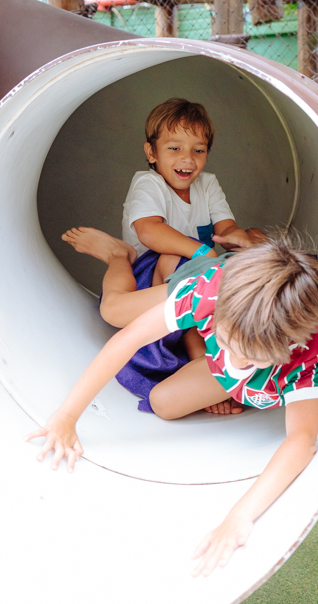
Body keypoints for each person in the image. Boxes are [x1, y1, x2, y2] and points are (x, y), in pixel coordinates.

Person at [28, 227, 318, 577]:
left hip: (275, 330)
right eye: (225, 343)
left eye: (250, 358)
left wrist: (238, 517)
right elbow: (129, 339)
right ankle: (125, 255)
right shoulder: (211, 290)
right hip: (228, 279)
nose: (233, 360)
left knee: (190, 396)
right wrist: (67, 415)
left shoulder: (307, 352)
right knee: (135, 348)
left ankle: (233, 319)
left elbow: (301, 440)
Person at [116, 98, 265, 413]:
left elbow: (227, 227)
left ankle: (233, 351)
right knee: (177, 259)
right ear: (151, 153)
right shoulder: (148, 183)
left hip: (200, 276)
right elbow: (149, 232)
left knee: (252, 241)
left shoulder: (207, 184)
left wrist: (244, 240)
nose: (188, 159)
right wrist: (203, 251)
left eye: (198, 150)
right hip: (151, 280)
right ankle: (201, 361)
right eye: (174, 148)